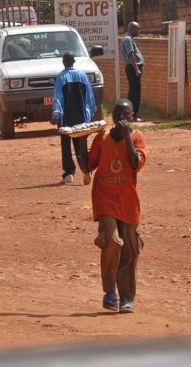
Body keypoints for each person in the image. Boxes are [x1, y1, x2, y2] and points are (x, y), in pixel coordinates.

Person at [88, 98, 146, 314]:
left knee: (130, 249)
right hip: (105, 199)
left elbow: (134, 163)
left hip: (128, 202)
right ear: (112, 117)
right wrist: (76, 142)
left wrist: (126, 139)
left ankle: (127, 296)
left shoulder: (137, 137)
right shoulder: (102, 138)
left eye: (126, 115)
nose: (122, 118)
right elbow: (88, 165)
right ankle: (109, 291)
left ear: (132, 117)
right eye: (118, 115)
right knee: (112, 241)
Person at [52, 51, 98, 185]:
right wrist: (89, 116)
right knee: (80, 145)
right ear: (73, 62)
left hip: (65, 118)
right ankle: (85, 169)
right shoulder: (83, 76)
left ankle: (69, 173)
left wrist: (56, 115)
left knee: (65, 145)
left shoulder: (61, 77)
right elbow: (90, 98)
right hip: (81, 117)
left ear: (63, 62)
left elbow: (58, 98)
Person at [120, 21, 145, 121]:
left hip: (133, 67)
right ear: (132, 29)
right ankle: (134, 115)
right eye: (137, 29)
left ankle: (131, 115)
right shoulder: (127, 39)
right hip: (133, 68)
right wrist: (137, 69)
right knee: (134, 92)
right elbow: (131, 55)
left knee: (134, 91)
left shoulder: (129, 39)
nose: (139, 31)